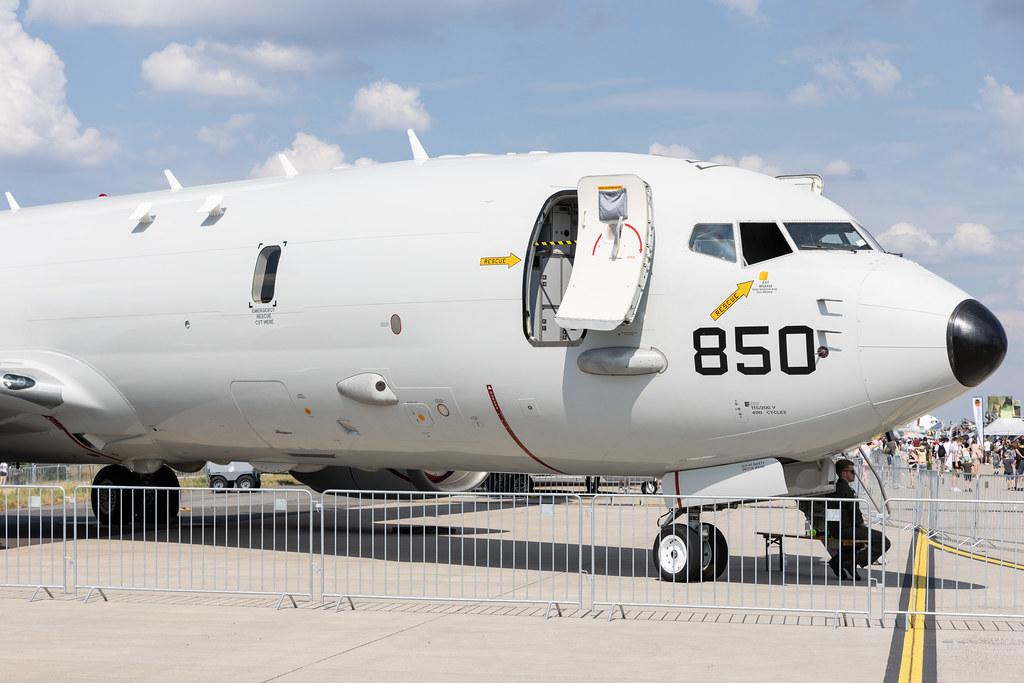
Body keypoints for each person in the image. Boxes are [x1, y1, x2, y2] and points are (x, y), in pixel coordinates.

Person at [827, 459, 891, 580]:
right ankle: (852, 562)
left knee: (857, 544)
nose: (854, 474)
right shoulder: (846, 491)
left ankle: (838, 561)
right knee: (883, 541)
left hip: (835, 529)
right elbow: (854, 513)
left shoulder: (834, 489)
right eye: (852, 471)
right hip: (846, 529)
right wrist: (861, 526)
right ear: (844, 473)